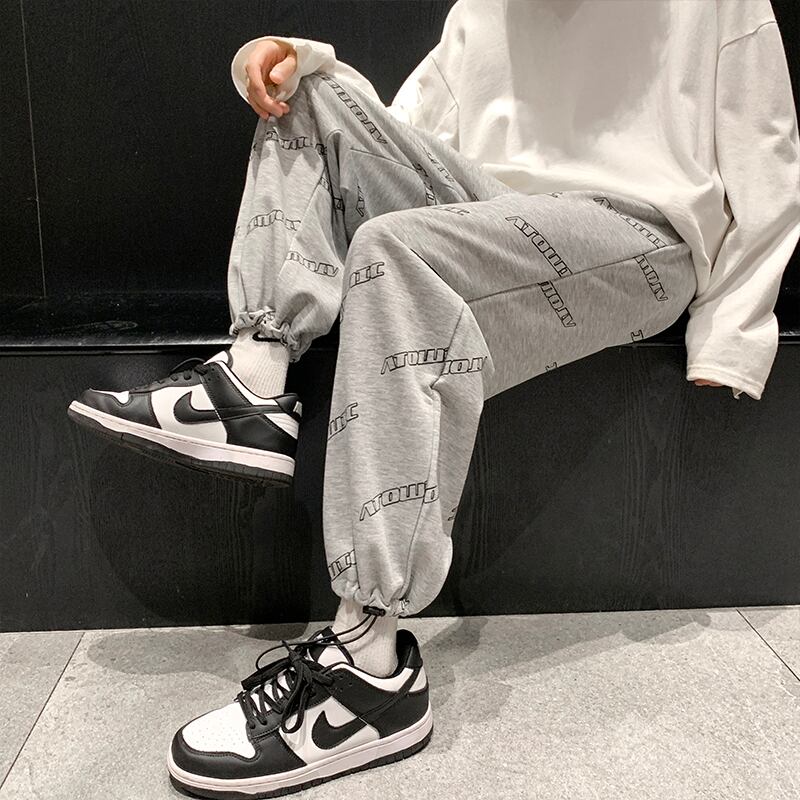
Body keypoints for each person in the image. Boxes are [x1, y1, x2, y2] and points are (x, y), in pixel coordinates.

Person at [67, 0, 799, 796]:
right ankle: (253, 383)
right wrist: (295, 64)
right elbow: (404, 126)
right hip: (497, 214)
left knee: (396, 252)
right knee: (308, 93)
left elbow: (768, 158)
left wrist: (732, 333)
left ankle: (369, 666)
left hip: (643, 237)